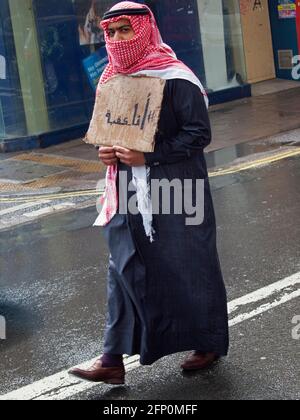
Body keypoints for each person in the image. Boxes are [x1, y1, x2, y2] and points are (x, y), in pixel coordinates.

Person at [69, 1, 229, 385]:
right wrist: (105, 151)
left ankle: (206, 342)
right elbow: (110, 130)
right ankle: (111, 357)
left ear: (144, 29)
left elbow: (197, 133)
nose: (118, 39)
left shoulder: (176, 78)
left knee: (189, 264)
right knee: (123, 263)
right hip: (126, 190)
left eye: (126, 30)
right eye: (111, 32)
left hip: (178, 188)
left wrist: (149, 155)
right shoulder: (110, 79)